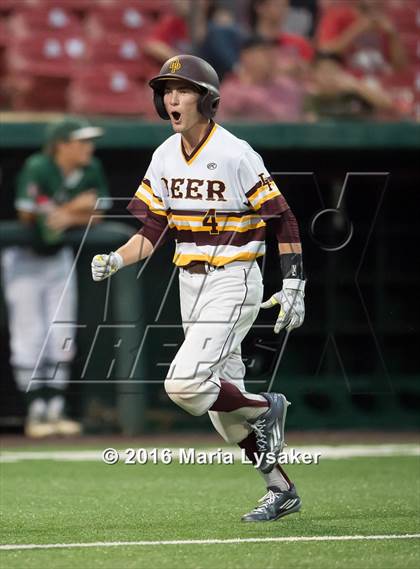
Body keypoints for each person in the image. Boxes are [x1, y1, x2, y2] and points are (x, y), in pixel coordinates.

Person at [91, 55, 306, 522]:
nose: (172, 97)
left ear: (206, 99)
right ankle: (280, 487)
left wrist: (294, 283)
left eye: (183, 89)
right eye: (166, 89)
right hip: (191, 281)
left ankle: (268, 406)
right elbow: (151, 231)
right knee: (223, 416)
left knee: (185, 384)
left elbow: (282, 216)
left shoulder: (235, 152)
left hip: (234, 278)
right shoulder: (165, 154)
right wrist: (116, 259)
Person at [1, 117, 110, 438]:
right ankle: (36, 412)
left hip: (58, 257)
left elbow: (100, 211)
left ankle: (55, 409)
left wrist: (63, 214)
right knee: (29, 336)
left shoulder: (91, 169)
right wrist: (75, 207)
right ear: (62, 144)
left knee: (62, 335)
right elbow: (27, 213)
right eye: (81, 141)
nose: (88, 147)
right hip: (23, 257)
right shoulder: (38, 166)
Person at [219, 35, 304, 121]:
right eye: (264, 52)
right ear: (246, 57)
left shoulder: (288, 87)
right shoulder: (230, 91)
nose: (271, 57)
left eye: (272, 52)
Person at [316, 0, 406, 77]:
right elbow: (326, 51)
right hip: (348, 81)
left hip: (380, 80)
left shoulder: (386, 22)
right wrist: (358, 29)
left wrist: (393, 36)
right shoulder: (337, 16)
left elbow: (400, 67)